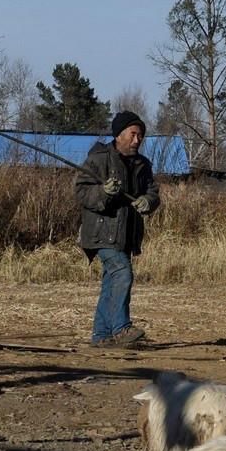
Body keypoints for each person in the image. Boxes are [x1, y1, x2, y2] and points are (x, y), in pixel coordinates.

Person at [75, 110, 159, 347]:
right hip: (102, 233)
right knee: (122, 272)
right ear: (119, 135)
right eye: (133, 134)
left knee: (111, 283)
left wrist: (148, 202)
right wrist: (103, 192)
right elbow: (81, 192)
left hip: (126, 235)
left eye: (140, 135)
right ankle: (121, 329)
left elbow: (153, 193)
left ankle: (101, 336)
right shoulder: (99, 159)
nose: (137, 140)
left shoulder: (143, 164)